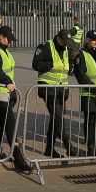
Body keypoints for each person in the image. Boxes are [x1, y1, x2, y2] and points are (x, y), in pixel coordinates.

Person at [0, 26, 29, 169]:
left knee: (0, 122)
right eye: (7, 38)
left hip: (7, 91)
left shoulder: (4, 49)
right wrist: (7, 82)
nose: (9, 41)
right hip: (0, 92)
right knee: (11, 124)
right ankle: (18, 157)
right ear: (0, 36)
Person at [31, 28, 76, 158]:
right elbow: (36, 64)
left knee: (56, 119)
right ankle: (69, 146)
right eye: (65, 42)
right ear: (58, 38)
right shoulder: (45, 46)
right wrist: (51, 64)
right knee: (58, 117)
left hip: (61, 89)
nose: (67, 45)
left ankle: (49, 149)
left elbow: (67, 65)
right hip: (48, 88)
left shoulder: (66, 47)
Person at [73, 30, 96, 157]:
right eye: (93, 40)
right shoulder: (81, 55)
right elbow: (81, 76)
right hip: (89, 94)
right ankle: (90, 146)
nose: (95, 42)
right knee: (90, 121)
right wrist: (95, 89)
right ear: (87, 40)